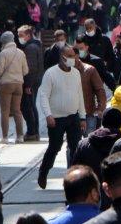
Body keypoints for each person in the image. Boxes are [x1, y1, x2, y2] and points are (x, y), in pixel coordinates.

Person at [36, 45, 87, 191]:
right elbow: (44, 95)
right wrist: (48, 115)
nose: (73, 59)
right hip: (56, 118)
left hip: (73, 117)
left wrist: (82, 117)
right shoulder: (50, 73)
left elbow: (80, 95)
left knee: (75, 148)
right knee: (54, 147)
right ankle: (43, 172)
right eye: (70, 56)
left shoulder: (76, 73)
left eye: (74, 55)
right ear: (62, 57)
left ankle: (74, 178)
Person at [0, 31, 30, 144]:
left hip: (6, 84)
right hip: (19, 84)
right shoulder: (21, 52)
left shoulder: (3, 53)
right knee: (17, 111)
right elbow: (26, 71)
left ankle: (5, 137)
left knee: (5, 111)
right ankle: (20, 136)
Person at [16, 27, 44, 143]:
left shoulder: (30, 48)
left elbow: (30, 68)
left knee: (27, 106)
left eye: (21, 34)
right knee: (31, 105)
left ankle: (32, 132)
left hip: (31, 82)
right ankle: (34, 131)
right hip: (35, 81)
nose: (19, 37)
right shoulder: (35, 45)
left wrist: (28, 85)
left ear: (28, 35)